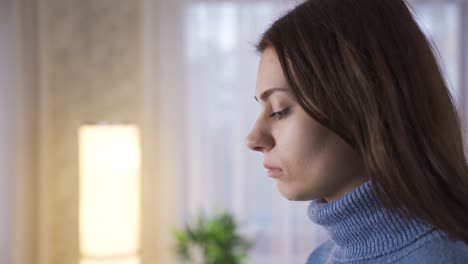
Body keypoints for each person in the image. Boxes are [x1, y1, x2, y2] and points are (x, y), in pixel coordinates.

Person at [244, 0, 468, 263]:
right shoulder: (320, 257)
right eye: (261, 107)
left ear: (364, 102)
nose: (253, 139)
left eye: (279, 110)